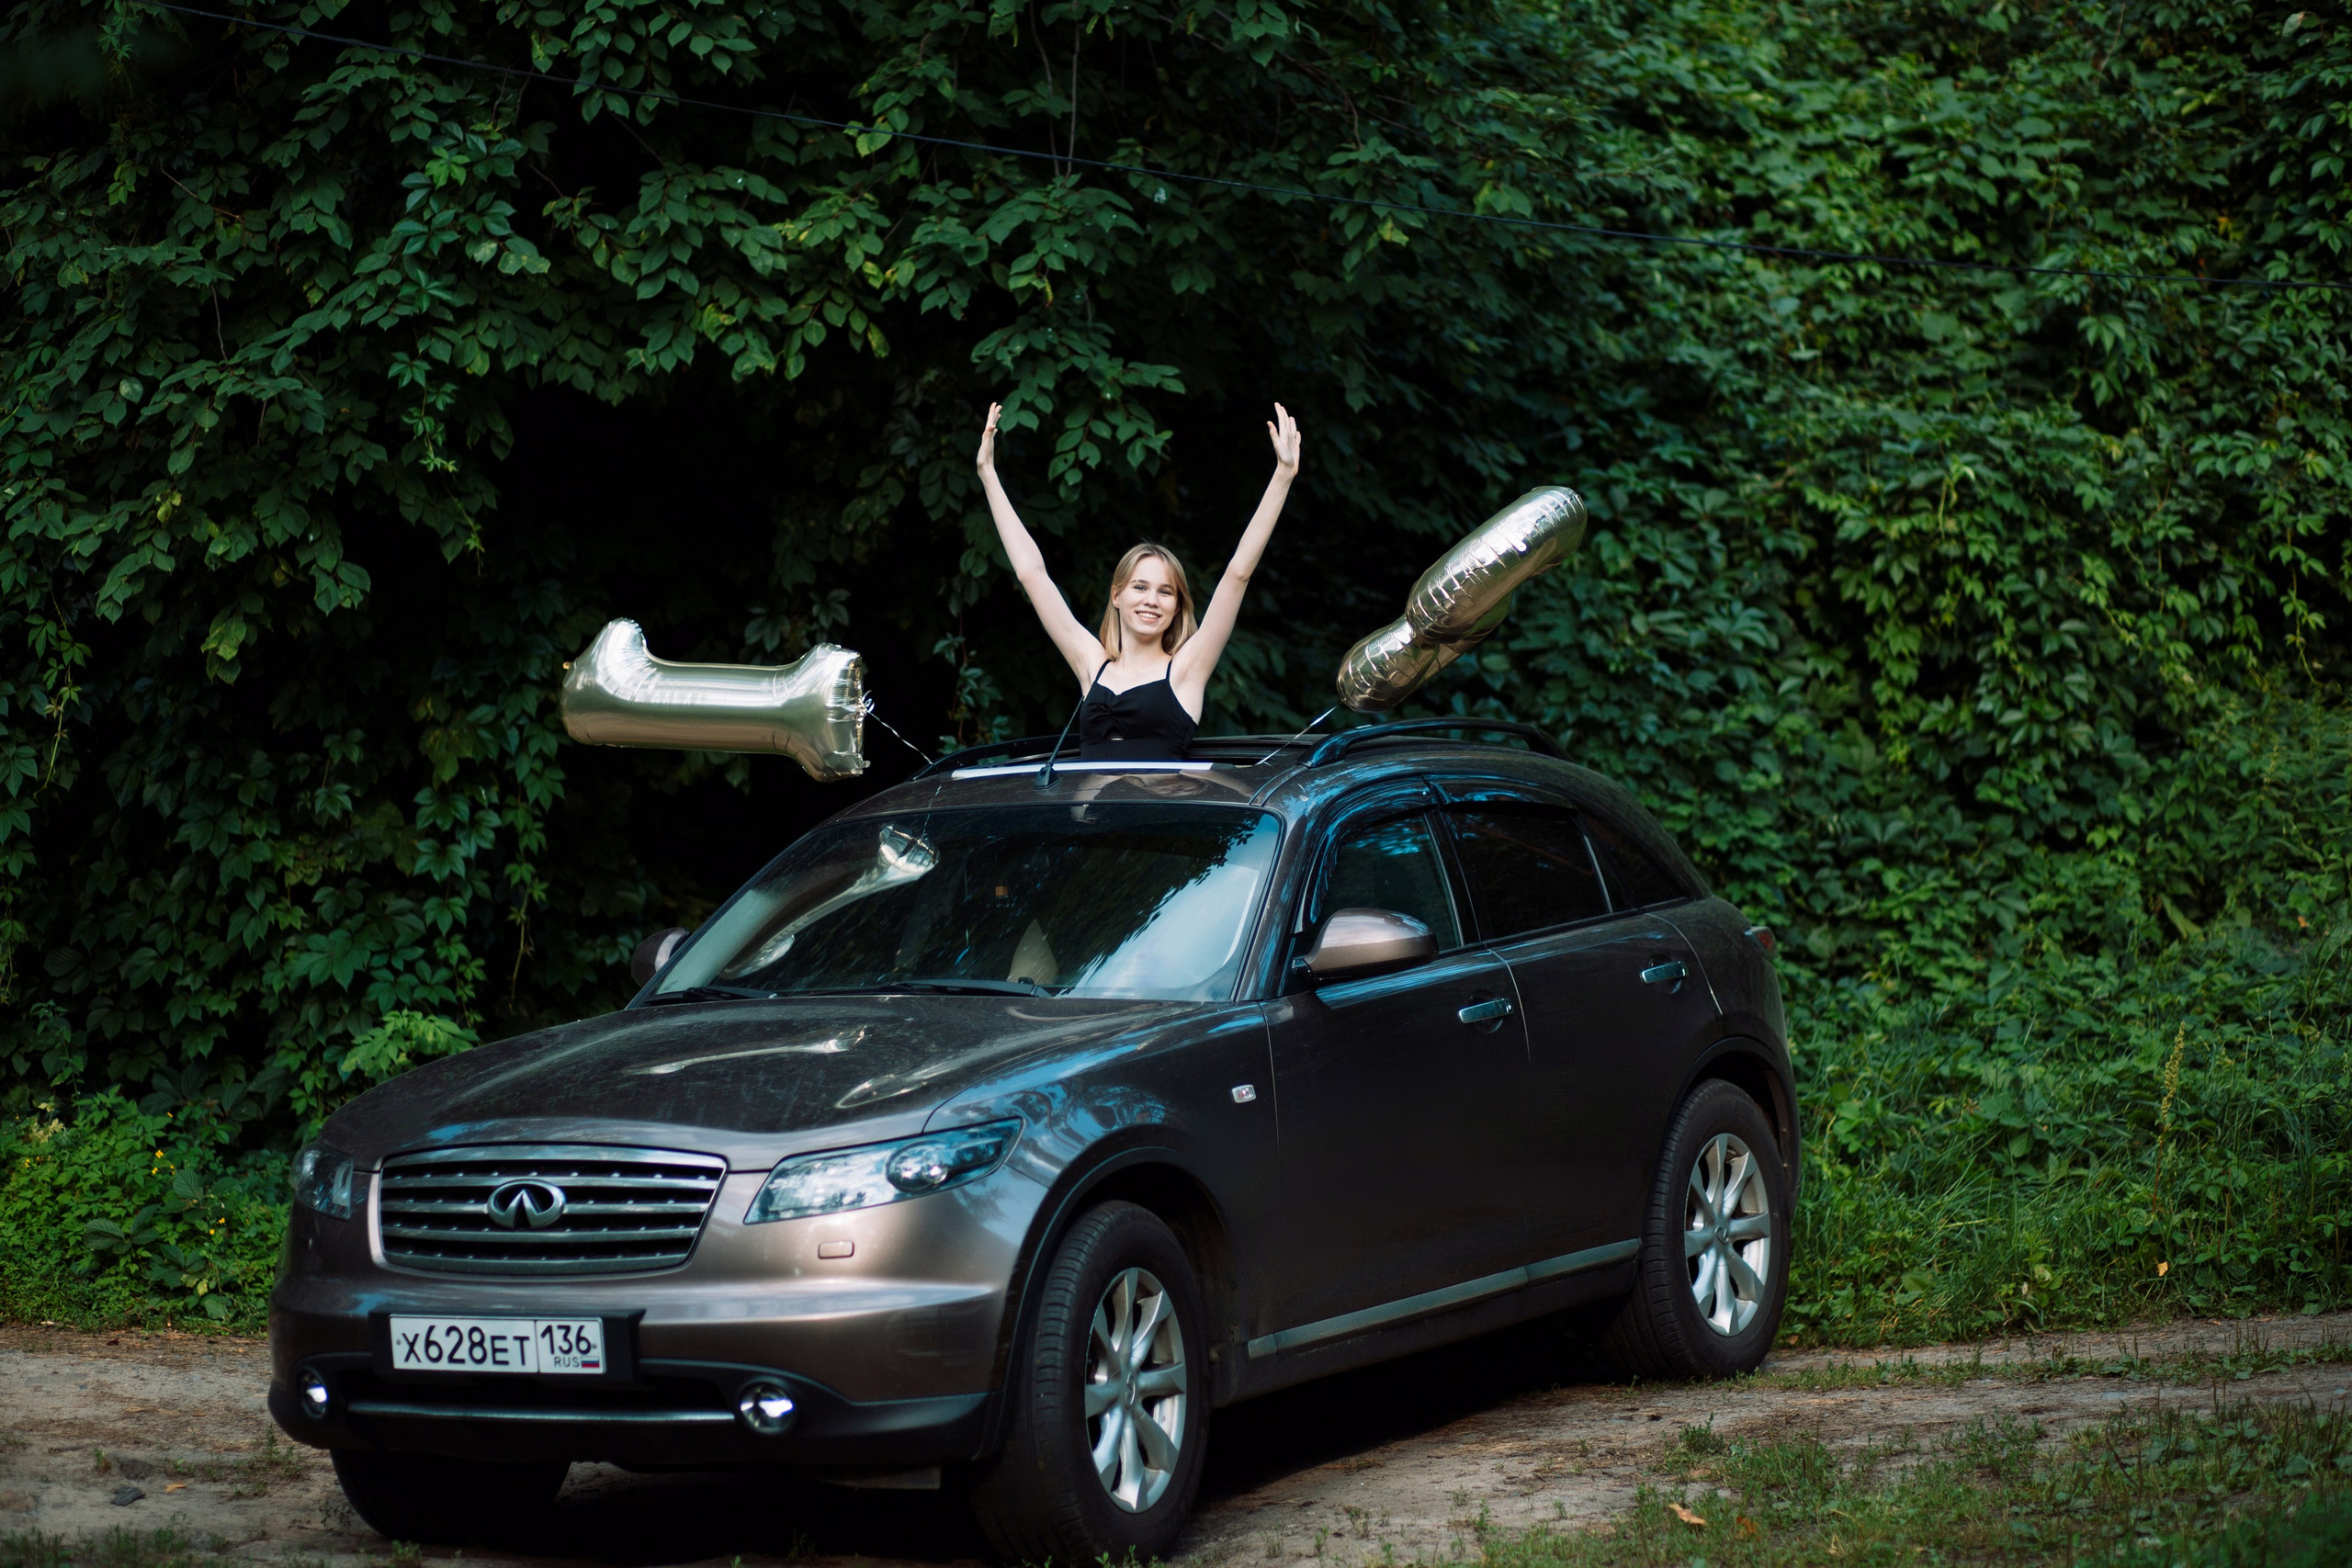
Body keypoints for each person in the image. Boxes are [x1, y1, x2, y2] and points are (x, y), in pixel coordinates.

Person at [975, 401, 1303, 761]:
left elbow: (1237, 573)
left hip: (1156, 819)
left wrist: (1283, 475)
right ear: (1117, 595)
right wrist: (988, 474)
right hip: (1088, 819)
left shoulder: (1186, 669)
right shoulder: (1092, 664)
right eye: (1140, 587)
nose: (1151, 600)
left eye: (1165, 592)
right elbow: (1032, 575)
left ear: (1177, 606)